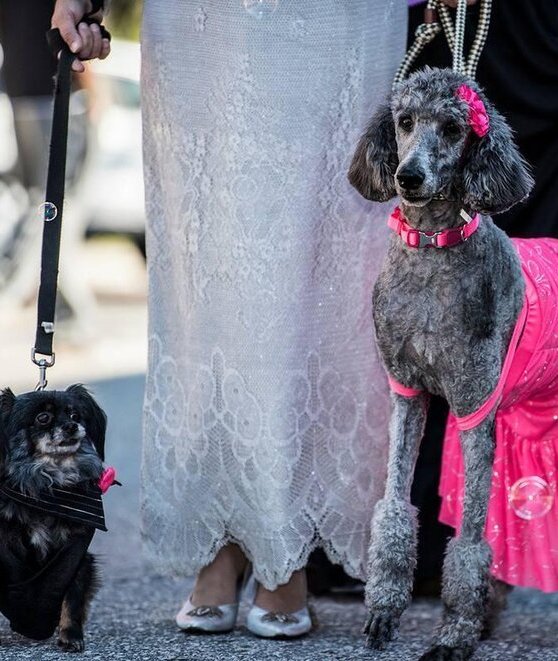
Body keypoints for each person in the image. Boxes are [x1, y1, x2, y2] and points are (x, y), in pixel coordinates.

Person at [52, 0, 405, 639]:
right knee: (208, 269)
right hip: (205, 22)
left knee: (317, 258)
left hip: (334, 19)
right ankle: (221, 535)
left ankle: (283, 540)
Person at [406, 0, 558, 589]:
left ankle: (490, 542)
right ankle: (399, 528)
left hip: (518, 36)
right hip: (421, 28)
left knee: (523, 297)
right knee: (414, 288)